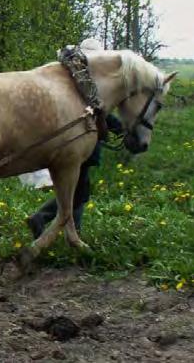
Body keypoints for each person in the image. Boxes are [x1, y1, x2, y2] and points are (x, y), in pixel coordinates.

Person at [25, 38, 123, 239]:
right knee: (79, 191)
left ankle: (68, 228)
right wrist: (119, 128)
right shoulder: (86, 86)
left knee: (77, 190)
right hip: (80, 144)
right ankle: (46, 219)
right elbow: (100, 112)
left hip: (78, 142)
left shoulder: (76, 79)